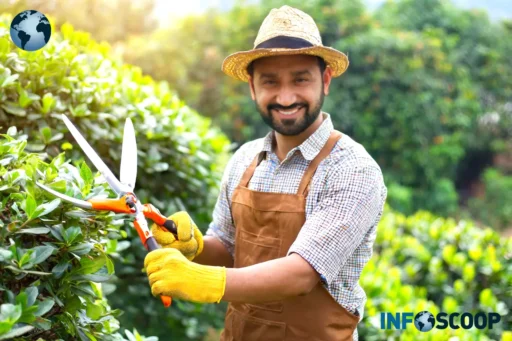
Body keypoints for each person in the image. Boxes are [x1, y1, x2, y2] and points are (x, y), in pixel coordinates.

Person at [144, 5, 388, 341]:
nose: (285, 97)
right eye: (270, 82)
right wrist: (193, 246)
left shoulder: (352, 170)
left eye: (300, 79)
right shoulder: (245, 159)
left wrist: (201, 280)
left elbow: (301, 275)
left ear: (325, 80)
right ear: (252, 87)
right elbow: (229, 250)